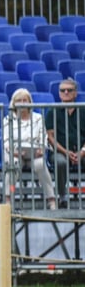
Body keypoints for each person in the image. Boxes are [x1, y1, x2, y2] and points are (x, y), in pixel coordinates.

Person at [2, 88, 56, 210]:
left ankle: (51, 199)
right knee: (12, 165)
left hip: (34, 152)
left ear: (30, 102)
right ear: (14, 103)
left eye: (25, 100)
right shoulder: (8, 119)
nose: (22, 103)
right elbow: (5, 140)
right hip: (15, 152)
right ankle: (8, 198)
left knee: (41, 164)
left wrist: (42, 149)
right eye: (19, 100)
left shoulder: (38, 118)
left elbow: (43, 137)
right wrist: (12, 151)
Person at [45, 78, 85, 208]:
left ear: (76, 93)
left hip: (82, 151)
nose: (66, 92)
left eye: (69, 90)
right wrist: (66, 152)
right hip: (60, 151)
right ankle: (63, 197)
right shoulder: (52, 111)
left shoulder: (83, 110)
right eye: (63, 90)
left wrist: (82, 152)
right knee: (60, 162)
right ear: (59, 93)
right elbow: (50, 137)